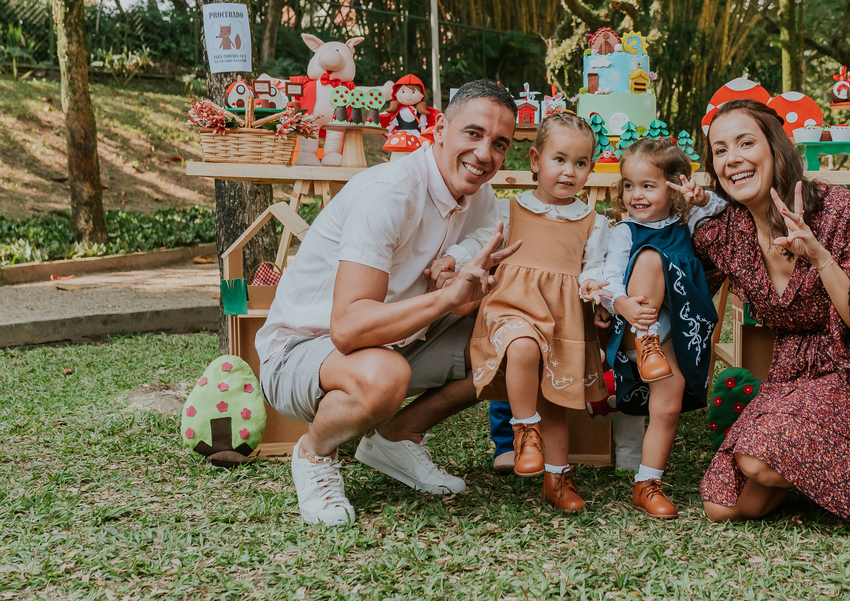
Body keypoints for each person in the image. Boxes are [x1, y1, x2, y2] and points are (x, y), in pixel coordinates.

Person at [255, 80, 520, 526]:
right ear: (439, 128)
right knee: (384, 376)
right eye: (473, 134)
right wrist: (448, 299)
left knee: (513, 343)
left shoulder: (478, 194)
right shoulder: (390, 193)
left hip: (398, 340)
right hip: (303, 353)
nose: (484, 154)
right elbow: (349, 328)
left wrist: (462, 274)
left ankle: (395, 437)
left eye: (499, 143)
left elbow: (486, 236)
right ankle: (314, 454)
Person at [694, 99, 850, 526]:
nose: (732, 159)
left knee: (757, 463)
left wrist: (819, 255)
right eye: (720, 150)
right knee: (724, 507)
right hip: (795, 375)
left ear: (776, 149)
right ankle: (819, 469)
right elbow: (682, 284)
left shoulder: (840, 211)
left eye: (745, 143)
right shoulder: (726, 233)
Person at [466, 113, 611, 512]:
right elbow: (479, 246)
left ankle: (557, 480)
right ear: (535, 160)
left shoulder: (592, 222)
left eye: (580, 164)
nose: (569, 172)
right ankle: (524, 432)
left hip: (563, 318)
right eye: (559, 159)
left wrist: (595, 286)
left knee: (557, 400)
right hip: (512, 306)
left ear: (590, 170)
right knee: (524, 347)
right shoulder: (507, 210)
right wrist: (454, 261)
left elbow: (595, 266)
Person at [599, 138, 725, 519]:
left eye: (647, 185)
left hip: (678, 327)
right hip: (638, 326)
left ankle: (647, 483)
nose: (635, 195)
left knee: (668, 404)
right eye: (628, 185)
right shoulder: (625, 231)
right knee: (652, 258)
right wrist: (616, 302)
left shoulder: (687, 221)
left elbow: (725, 212)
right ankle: (645, 345)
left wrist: (702, 200)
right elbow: (608, 277)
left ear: (674, 188)